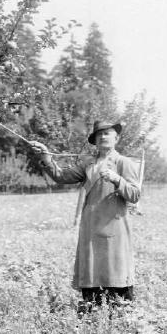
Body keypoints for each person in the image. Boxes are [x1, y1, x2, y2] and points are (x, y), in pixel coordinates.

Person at [29, 121, 141, 313]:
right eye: (99, 135)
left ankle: (121, 316)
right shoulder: (88, 163)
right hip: (90, 228)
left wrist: (117, 179)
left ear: (116, 138)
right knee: (91, 272)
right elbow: (61, 176)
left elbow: (135, 194)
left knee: (116, 271)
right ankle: (92, 315)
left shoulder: (124, 163)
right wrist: (46, 157)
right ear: (94, 141)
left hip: (114, 227)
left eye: (107, 133)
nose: (103, 137)